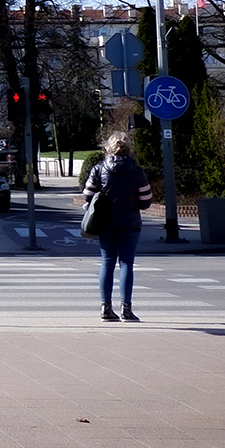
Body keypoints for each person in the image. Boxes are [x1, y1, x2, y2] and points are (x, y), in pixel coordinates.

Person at [79, 132, 153, 322]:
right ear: (128, 149)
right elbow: (146, 201)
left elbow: (87, 195)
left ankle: (106, 308)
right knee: (127, 263)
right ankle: (126, 310)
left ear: (108, 148)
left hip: (105, 223)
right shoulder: (137, 171)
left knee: (107, 262)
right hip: (130, 224)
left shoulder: (99, 169)